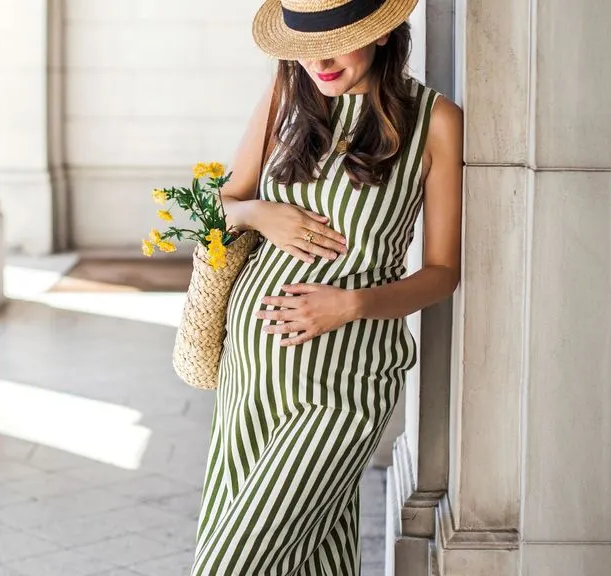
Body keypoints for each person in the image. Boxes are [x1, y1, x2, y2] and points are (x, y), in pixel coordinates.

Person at [190, 0, 463, 574]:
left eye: (337, 39)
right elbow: (224, 204)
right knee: (318, 561)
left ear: (382, 33)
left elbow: (443, 271)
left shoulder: (435, 121)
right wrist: (262, 213)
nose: (320, 59)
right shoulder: (284, 96)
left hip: (345, 385)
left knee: (233, 563)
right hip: (252, 379)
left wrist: (352, 304)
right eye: (307, 43)